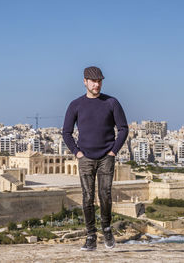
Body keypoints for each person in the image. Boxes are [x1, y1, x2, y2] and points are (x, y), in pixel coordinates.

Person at [62, 66, 129, 251]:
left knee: (105, 195)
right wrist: (77, 152)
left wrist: (113, 151)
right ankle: (90, 236)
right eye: (93, 81)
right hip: (85, 158)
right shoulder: (76, 104)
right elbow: (66, 132)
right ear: (85, 81)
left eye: (99, 81)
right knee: (87, 198)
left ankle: (107, 229)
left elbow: (123, 129)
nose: (96, 84)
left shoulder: (112, 102)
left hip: (107, 156)